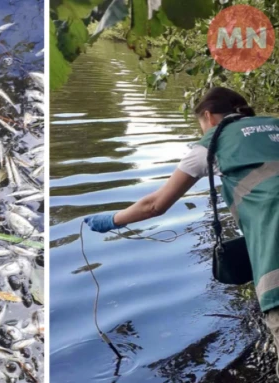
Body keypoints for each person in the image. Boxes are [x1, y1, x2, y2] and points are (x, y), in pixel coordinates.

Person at [85, 86, 279, 373]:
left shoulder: (211, 144)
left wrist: (113, 219)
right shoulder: (274, 125)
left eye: (200, 124)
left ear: (209, 116)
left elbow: (154, 205)